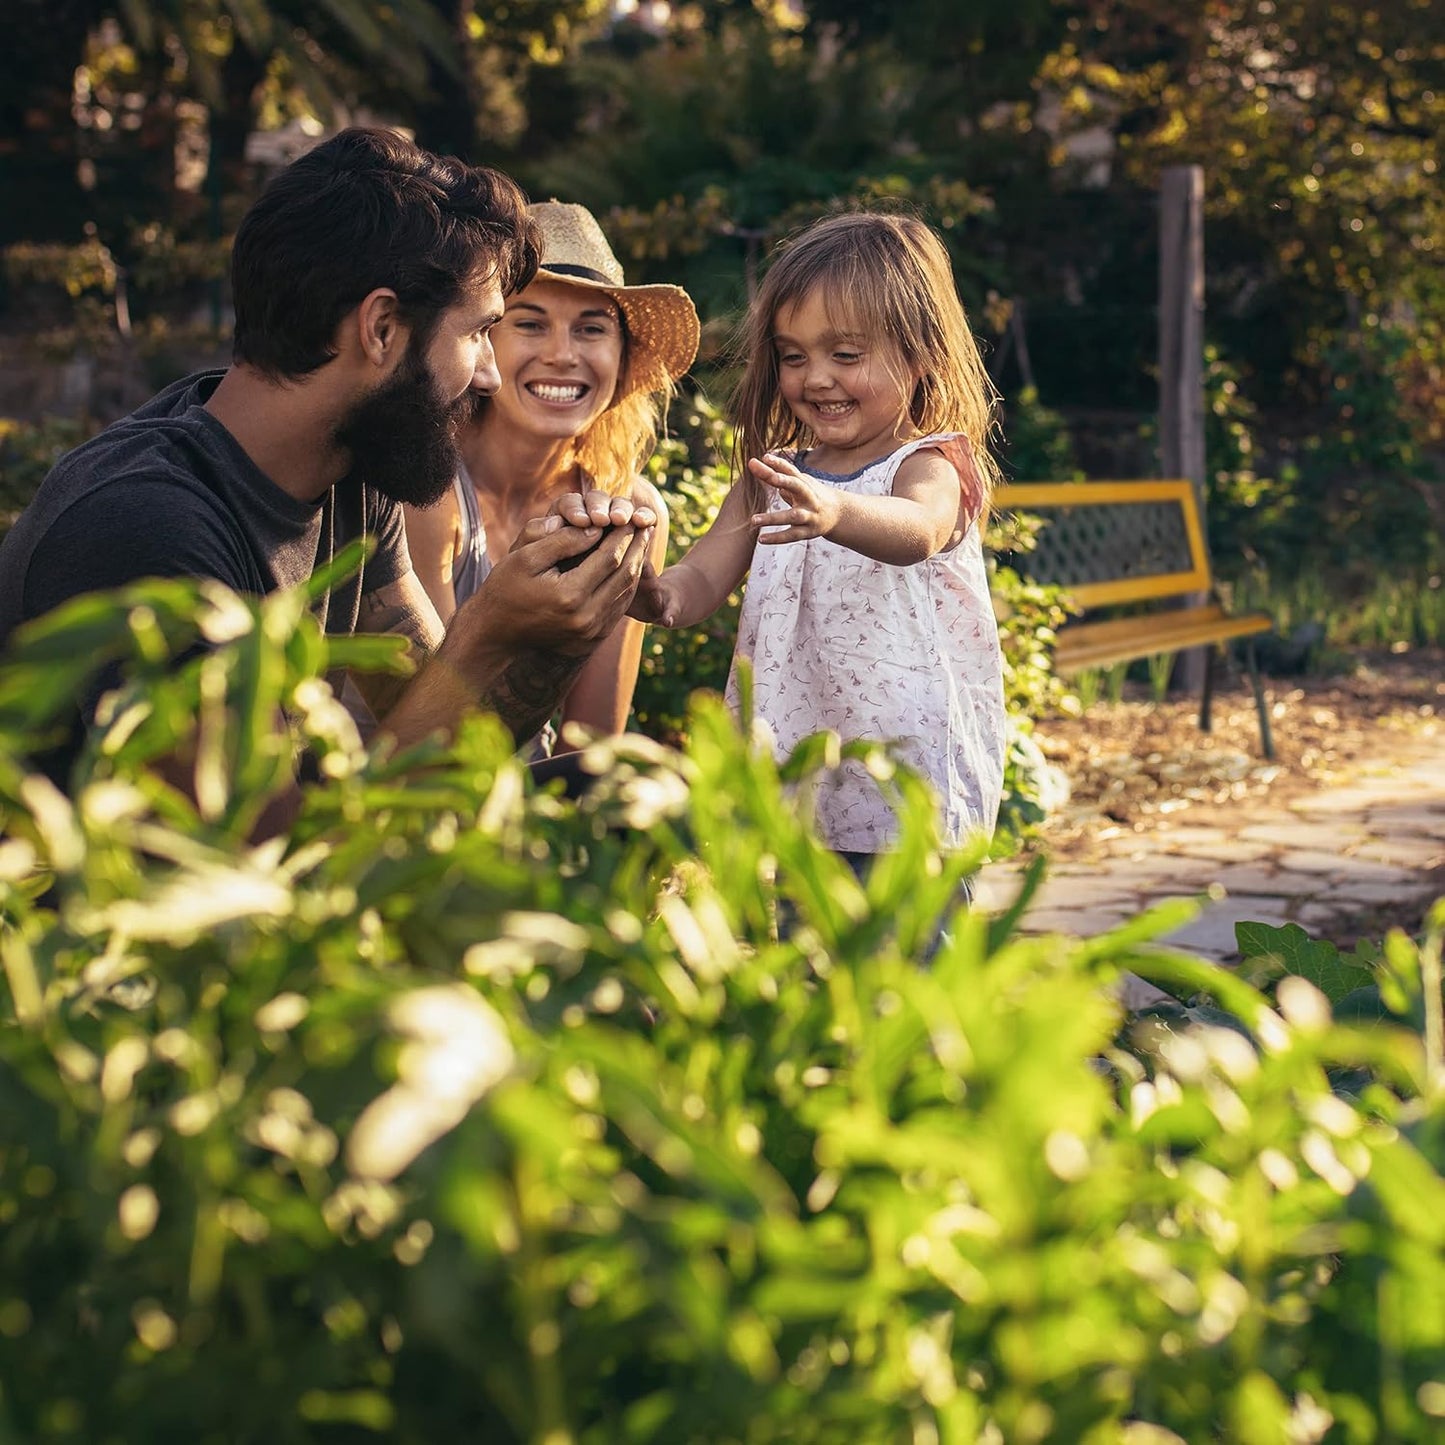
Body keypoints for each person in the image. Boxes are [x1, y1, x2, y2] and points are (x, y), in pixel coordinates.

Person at [0, 127, 656, 823]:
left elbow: (430, 734)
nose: (490, 374)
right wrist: (490, 628)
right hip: (95, 917)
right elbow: (276, 869)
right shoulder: (146, 531)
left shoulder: (351, 463)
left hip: (275, 886)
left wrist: (553, 631)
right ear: (380, 328)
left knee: (616, 793)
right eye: (476, 334)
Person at [629, 210, 1007, 873]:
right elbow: (697, 583)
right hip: (796, 782)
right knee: (808, 961)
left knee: (907, 961)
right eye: (792, 356)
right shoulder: (771, 480)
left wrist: (836, 509)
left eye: (845, 354)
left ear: (920, 357)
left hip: (904, 785)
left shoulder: (928, 464)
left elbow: (917, 531)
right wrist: (643, 591)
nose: (816, 378)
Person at [403, 201, 699, 753]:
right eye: (531, 324)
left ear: (623, 356)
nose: (564, 355)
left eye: (591, 329)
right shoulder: (427, 487)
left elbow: (588, 744)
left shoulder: (628, 510)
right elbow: (427, 728)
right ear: (483, 340)